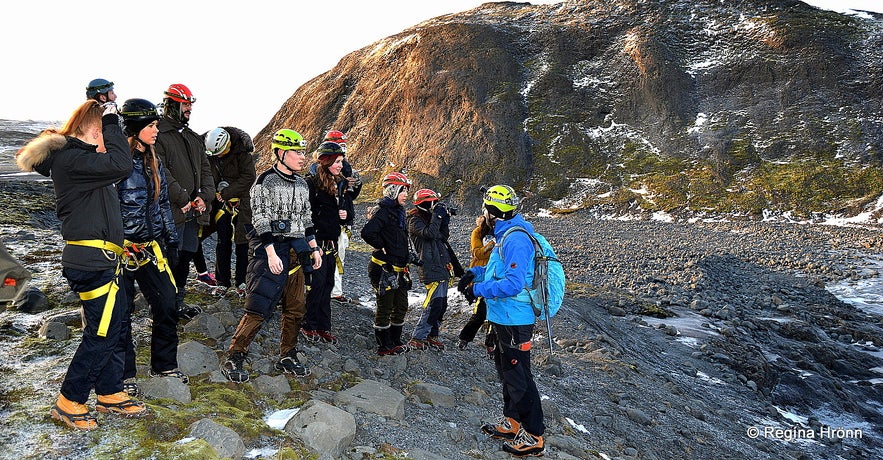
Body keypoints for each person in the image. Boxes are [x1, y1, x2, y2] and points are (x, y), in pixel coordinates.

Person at [16, 99, 146, 430]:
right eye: (104, 133)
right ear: (92, 130)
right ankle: (69, 400)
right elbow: (122, 164)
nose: (109, 141)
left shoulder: (83, 163)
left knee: (114, 327)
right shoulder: (73, 160)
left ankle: (110, 392)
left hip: (102, 259)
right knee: (101, 333)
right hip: (90, 262)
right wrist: (113, 121)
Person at [221, 129, 321, 383]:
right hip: (269, 251)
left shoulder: (301, 183)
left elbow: (305, 217)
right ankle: (235, 354)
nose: (301, 157)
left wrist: (314, 246)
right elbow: (260, 218)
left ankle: (288, 353)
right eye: (296, 152)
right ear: (280, 153)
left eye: (302, 151)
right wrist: (270, 253)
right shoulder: (264, 181)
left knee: (296, 308)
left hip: (297, 253)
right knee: (258, 306)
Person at [457, 185, 545, 457]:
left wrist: (477, 290)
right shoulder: (505, 234)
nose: (483, 214)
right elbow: (497, 270)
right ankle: (513, 421)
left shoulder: (515, 239)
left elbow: (513, 283)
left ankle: (534, 436)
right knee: (506, 370)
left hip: (516, 318)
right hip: (503, 316)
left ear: (493, 212)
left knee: (519, 374)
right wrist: (475, 273)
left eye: (485, 208)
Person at [117, 98, 189, 396]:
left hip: (151, 247)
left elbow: (161, 207)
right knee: (121, 313)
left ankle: (164, 365)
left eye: (157, 124)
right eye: (151, 125)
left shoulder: (153, 159)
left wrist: (170, 240)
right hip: (119, 251)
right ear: (135, 129)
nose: (156, 130)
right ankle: (124, 375)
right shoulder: (115, 162)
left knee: (168, 303)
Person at [154, 83, 214, 320]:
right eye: (184, 104)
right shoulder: (159, 135)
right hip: (172, 212)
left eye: (190, 104)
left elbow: (206, 171)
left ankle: (176, 304)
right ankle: (162, 308)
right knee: (168, 259)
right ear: (171, 104)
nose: (189, 108)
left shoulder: (192, 137)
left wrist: (204, 196)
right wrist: (184, 198)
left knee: (185, 257)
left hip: (193, 212)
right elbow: (159, 171)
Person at [360, 172, 413, 355]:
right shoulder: (384, 212)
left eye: (406, 190)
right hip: (383, 268)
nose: (406, 194)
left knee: (401, 305)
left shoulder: (398, 212)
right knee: (385, 305)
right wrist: (381, 245)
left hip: (398, 268)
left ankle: (395, 338)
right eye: (402, 190)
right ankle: (384, 345)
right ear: (392, 191)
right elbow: (367, 232)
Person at [300, 142, 347, 344]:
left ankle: (323, 326)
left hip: (330, 242)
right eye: (337, 162)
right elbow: (305, 215)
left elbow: (338, 213)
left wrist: (343, 216)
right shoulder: (310, 184)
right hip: (316, 242)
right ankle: (309, 324)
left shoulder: (337, 184)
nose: (341, 166)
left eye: (341, 162)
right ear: (326, 161)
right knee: (317, 284)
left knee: (327, 284)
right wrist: (312, 243)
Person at [203, 127, 257, 296]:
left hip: (243, 201)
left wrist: (227, 193)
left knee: (243, 241)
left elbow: (249, 177)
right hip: (221, 202)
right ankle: (222, 282)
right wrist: (216, 193)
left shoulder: (243, 154)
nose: (218, 156)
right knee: (223, 240)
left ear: (228, 144)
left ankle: (242, 281)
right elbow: (209, 175)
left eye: (221, 152)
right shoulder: (212, 154)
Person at [406, 188, 454, 351]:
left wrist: (444, 219)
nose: (435, 205)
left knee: (442, 304)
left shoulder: (429, 218)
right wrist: (438, 215)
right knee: (433, 304)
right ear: (425, 203)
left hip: (441, 265)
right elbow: (430, 234)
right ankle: (418, 336)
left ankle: (432, 334)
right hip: (429, 266)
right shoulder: (414, 220)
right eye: (433, 202)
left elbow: (442, 236)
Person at [322, 130, 362, 304]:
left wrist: (355, 186)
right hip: (334, 220)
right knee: (333, 255)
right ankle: (333, 291)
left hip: (344, 217)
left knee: (339, 254)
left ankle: (333, 289)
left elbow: (349, 196)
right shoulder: (322, 169)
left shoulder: (345, 167)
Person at [457, 214, 496, 355]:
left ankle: (491, 344)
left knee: (496, 313)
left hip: (496, 276)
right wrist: (492, 246)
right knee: (480, 312)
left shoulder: (501, 232)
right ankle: (464, 338)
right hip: (480, 275)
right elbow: (478, 253)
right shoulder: (477, 232)